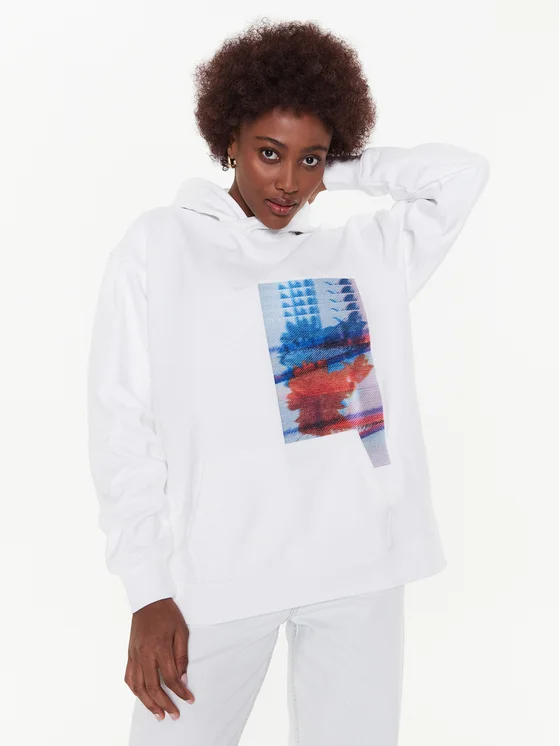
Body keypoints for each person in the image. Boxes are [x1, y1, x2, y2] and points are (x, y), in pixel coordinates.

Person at [86, 17, 490, 746]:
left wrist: (340, 166)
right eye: (269, 152)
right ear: (229, 140)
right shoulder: (162, 245)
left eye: (310, 161)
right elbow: (122, 420)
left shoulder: (364, 254)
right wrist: (147, 590)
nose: (289, 181)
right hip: (220, 576)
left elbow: (460, 177)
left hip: (359, 570)